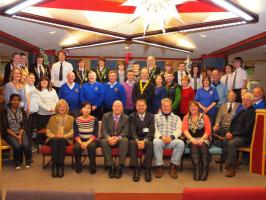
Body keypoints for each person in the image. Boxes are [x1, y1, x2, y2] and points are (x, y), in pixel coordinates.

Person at [224, 92, 255, 177]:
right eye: (244, 99)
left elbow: (247, 129)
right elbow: (232, 123)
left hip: (245, 137)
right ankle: (235, 160)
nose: (245, 101)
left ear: (252, 101)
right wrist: (229, 132)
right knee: (225, 140)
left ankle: (231, 168)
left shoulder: (251, 112)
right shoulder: (242, 110)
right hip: (236, 135)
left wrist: (233, 134)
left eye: (247, 100)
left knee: (231, 143)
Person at [153, 98, 184, 179]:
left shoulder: (177, 117)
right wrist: (161, 137)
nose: (166, 108)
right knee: (156, 142)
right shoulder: (155, 117)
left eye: (168, 106)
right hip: (160, 140)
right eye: (164, 106)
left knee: (181, 143)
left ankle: (173, 167)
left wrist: (172, 137)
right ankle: (159, 166)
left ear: (171, 107)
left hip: (172, 141)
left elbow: (179, 129)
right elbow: (154, 129)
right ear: (161, 106)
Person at [182, 101, 212, 181]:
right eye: (191, 106)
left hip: (204, 138)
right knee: (193, 146)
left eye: (195, 106)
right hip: (191, 139)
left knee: (203, 146)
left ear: (198, 108)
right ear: (189, 108)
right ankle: (197, 170)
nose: (193, 108)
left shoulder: (205, 116)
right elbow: (184, 130)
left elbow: (208, 130)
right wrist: (192, 139)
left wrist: (202, 139)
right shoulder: (186, 117)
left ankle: (205, 170)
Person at [1, 94, 31, 169]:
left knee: (26, 145)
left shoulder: (22, 110)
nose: (16, 102)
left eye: (18, 100)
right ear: (10, 101)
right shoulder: (4, 112)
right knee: (17, 145)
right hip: (9, 133)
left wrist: (20, 136)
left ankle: (28, 161)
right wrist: (16, 137)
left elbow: (23, 125)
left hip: (20, 131)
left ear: (19, 101)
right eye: (14, 100)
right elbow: (6, 127)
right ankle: (17, 162)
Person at [100, 100, 129, 179]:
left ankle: (120, 166)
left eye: (119, 106)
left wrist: (117, 138)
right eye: (115, 106)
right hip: (109, 138)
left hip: (119, 139)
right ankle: (111, 166)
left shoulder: (126, 118)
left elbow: (126, 131)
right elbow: (103, 130)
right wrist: (109, 138)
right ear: (112, 107)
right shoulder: (106, 116)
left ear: (122, 108)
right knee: (103, 141)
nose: (117, 108)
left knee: (125, 140)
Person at [46, 100, 74, 178]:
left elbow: (73, 131)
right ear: (57, 108)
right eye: (60, 107)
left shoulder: (71, 118)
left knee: (61, 141)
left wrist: (63, 136)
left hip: (66, 139)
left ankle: (61, 166)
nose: (62, 108)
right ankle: (55, 166)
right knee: (56, 140)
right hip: (52, 139)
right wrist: (55, 136)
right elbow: (48, 131)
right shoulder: (52, 118)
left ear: (66, 108)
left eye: (64, 107)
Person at [129, 99, 155, 182]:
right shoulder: (132, 116)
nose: (141, 107)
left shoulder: (151, 116)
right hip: (135, 138)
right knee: (132, 143)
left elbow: (151, 131)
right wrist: (137, 141)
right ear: (136, 107)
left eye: (142, 105)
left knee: (151, 144)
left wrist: (144, 141)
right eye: (139, 105)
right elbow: (132, 131)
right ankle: (136, 168)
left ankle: (147, 168)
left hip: (147, 139)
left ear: (146, 106)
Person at [213, 91, 240, 160]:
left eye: (233, 95)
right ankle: (226, 156)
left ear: (235, 97)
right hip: (222, 126)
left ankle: (226, 158)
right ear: (227, 97)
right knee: (215, 136)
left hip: (232, 128)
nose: (231, 97)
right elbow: (219, 116)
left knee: (225, 141)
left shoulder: (239, 105)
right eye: (230, 95)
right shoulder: (222, 105)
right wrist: (216, 124)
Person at [73, 102, 99, 174]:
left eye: (88, 108)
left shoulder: (94, 119)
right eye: (84, 108)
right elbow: (76, 134)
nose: (86, 110)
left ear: (91, 110)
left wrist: (87, 143)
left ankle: (92, 166)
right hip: (80, 140)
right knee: (76, 147)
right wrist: (81, 143)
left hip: (91, 140)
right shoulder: (76, 119)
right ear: (81, 109)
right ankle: (78, 165)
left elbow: (95, 134)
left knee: (92, 146)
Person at [37, 76, 59, 144]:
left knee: (52, 130)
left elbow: (56, 99)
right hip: (42, 115)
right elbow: (39, 103)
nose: (44, 82)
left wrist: (54, 108)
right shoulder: (37, 91)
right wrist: (48, 109)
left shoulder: (53, 90)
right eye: (42, 80)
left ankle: (51, 144)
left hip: (53, 114)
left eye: (46, 80)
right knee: (43, 132)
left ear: (48, 82)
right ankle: (42, 146)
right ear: (40, 82)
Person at [25, 73, 39, 152]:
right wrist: (28, 110)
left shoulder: (33, 86)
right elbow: (27, 98)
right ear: (27, 78)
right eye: (30, 78)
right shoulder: (26, 87)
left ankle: (30, 146)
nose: (32, 80)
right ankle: (28, 148)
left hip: (34, 112)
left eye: (33, 78)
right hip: (29, 112)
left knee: (31, 130)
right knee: (28, 131)